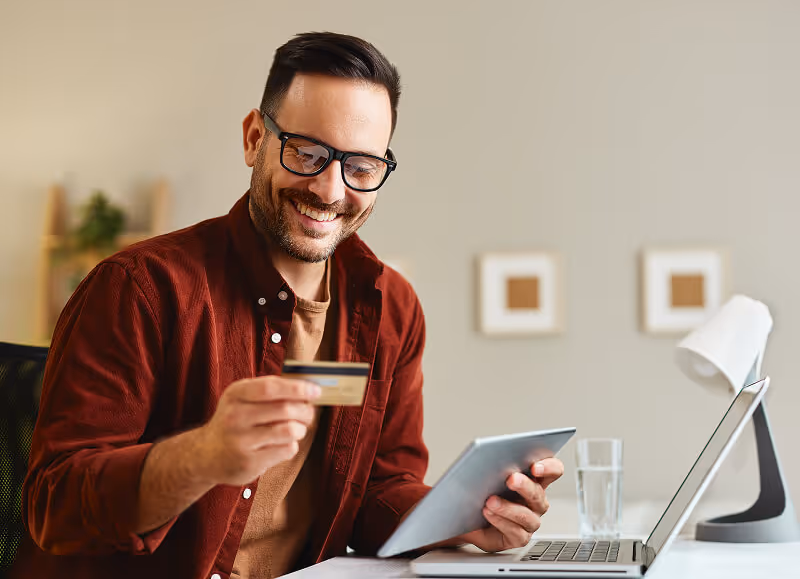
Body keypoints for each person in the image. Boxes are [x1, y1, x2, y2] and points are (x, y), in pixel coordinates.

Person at [11, 32, 564, 579]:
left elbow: (376, 493)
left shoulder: (390, 307)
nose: (330, 189)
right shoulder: (139, 288)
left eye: (363, 166)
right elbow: (54, 507)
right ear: (255, 138)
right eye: (307, 153)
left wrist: (464, 517)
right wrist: (203, 456)